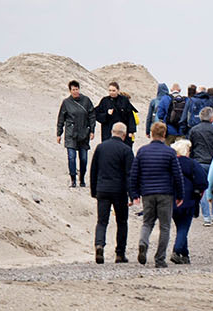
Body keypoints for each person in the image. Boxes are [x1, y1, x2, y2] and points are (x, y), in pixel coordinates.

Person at [130, 121, 185, 269]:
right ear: (164, 134)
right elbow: (177, 175)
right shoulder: (170, 152)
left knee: (147, 222)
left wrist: (134, 193)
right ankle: (160, 259)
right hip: (165, 193)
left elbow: (134, 174)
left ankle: (143, 243)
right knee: (165, 226)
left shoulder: (142, 151)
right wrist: (180, 195)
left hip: (147, 193)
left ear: (151, 134)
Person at [88, 123, 135, 264]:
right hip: (119, 191)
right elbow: (129, 175)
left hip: (102, 189)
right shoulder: (126, 150)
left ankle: (99, 245)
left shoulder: (101, 147)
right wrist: (132, 194)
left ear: (112, 132)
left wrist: (94, 190)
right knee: (121, 222)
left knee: (102, 221)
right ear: (124, 135)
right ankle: (120, 253)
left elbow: (93, 170)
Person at [170, 138, 206, 265]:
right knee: (184, 227)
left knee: (180, 226)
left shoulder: (171, 163)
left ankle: (185, 255)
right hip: (188, 199)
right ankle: (176, 250)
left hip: (172, 199)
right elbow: (202, 182)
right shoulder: (192, 164)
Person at [187, 107, 213, 224]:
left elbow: (190, 147)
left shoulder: (193, 130)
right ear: (212, 117)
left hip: (198, 162)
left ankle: (206, 216)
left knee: (201, 189)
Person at [56, 80, 95, 186]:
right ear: (70, 90)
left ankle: (82, 178)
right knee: (71, 157)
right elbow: (61, 119)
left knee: (83, 158)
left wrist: (92, 130)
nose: (75, 91)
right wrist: (59, 134)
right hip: (70, 134)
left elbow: (92, 116)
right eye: (73, 89)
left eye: (77, 89)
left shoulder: (86, 101)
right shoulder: (66, 102)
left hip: (84, 133)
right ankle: (73, 178)